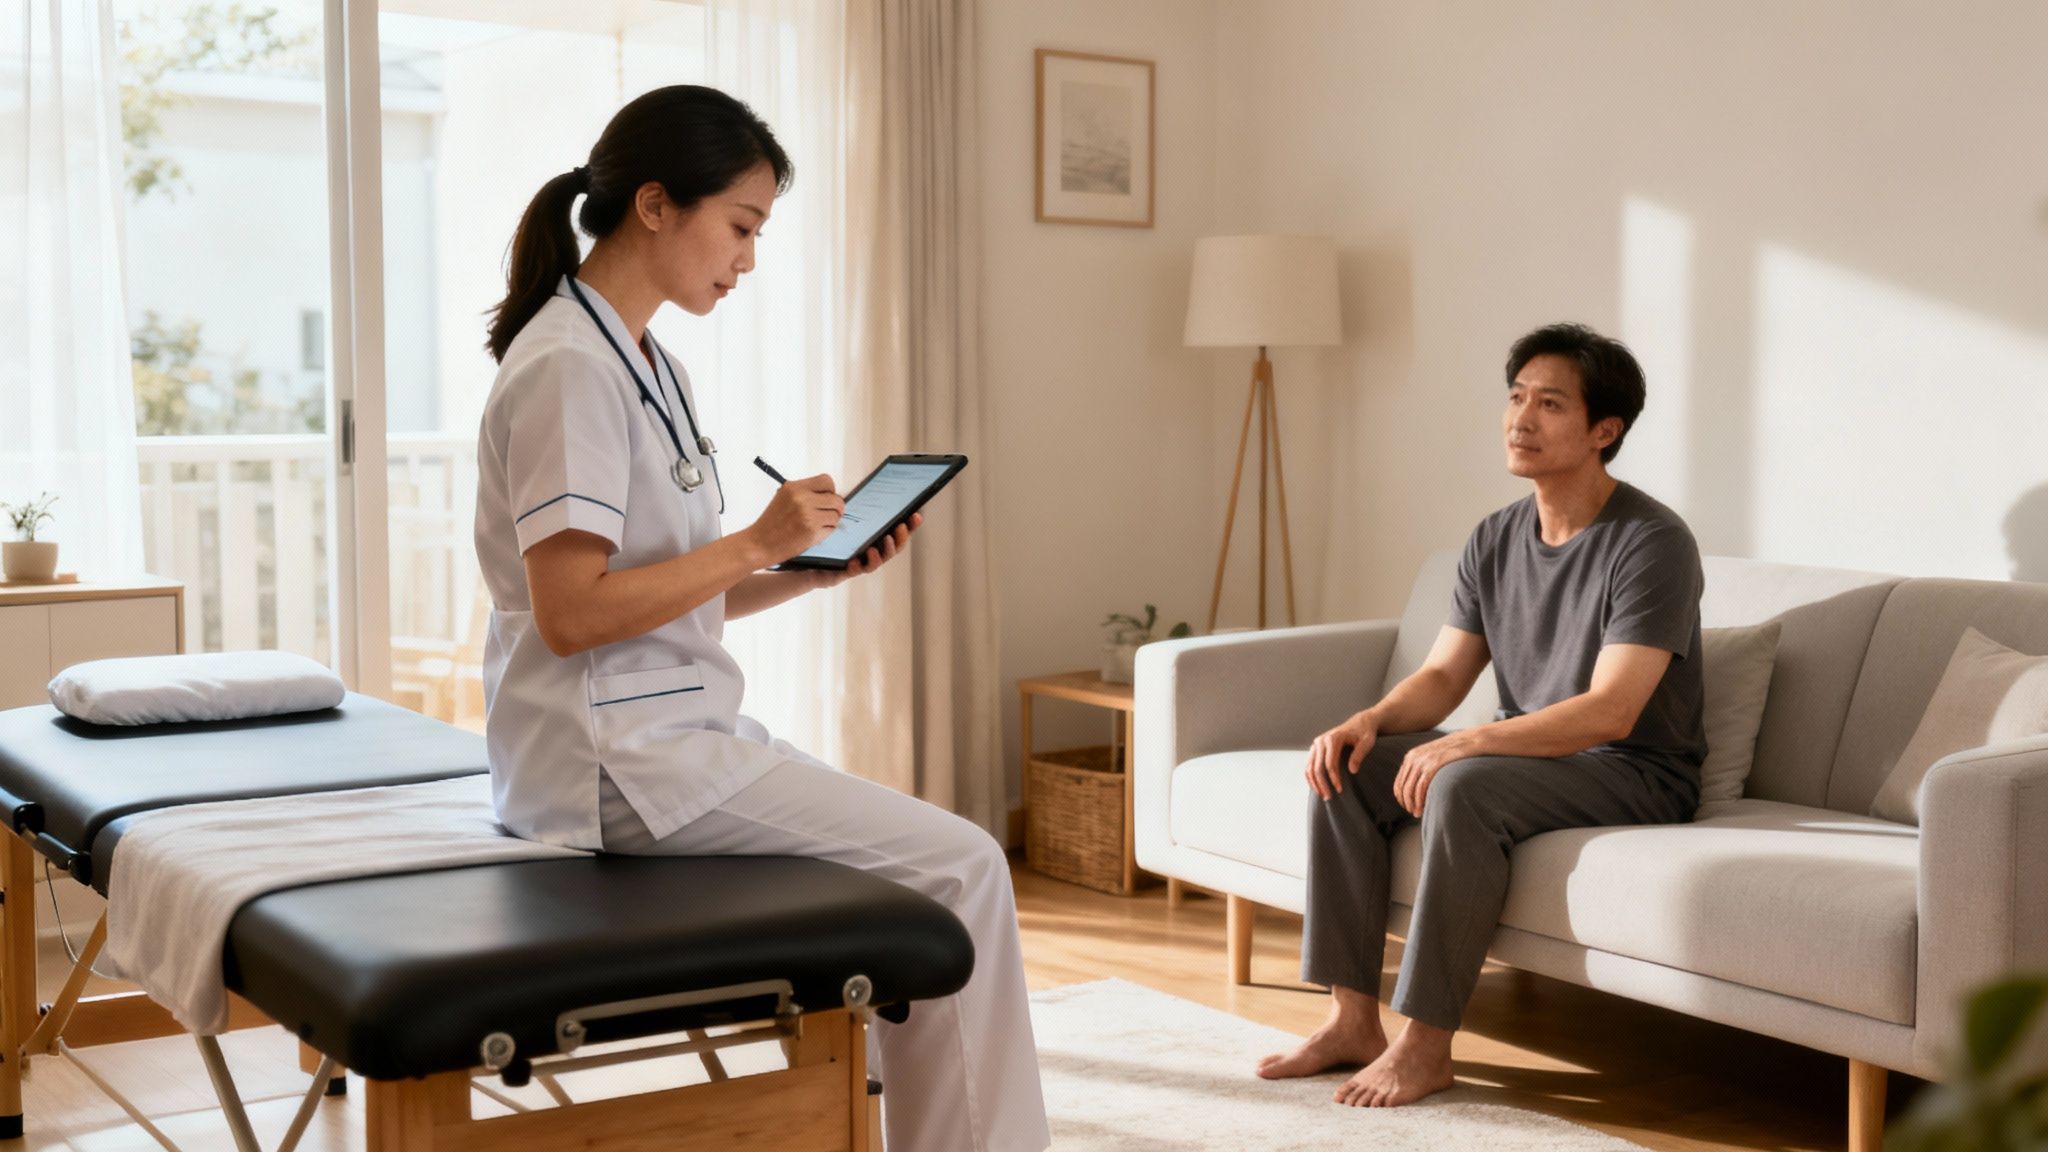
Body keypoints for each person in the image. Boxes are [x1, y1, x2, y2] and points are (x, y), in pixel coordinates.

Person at [473, 85, 1050, 1152]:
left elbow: (666, 595)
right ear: (655, 205)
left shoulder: (647, 362)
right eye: (740, 227)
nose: (746, 260)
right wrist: (753, 540)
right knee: (965, 865)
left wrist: (803, 571)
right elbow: (569, 615)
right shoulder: (567, 369)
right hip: (615, 764)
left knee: (918, 864)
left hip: (661, 738)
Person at [1258, 323, 1705, 1108]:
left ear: (1604, 431)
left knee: (1463, 784)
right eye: (1517, 397)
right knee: (1346, 767)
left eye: (1550, 404)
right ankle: (1351, 1020)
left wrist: (1467, 744)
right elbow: (1441, 675)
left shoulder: (1651, 542)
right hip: (1532, 757)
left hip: (1635, 770)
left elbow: (1612, 710)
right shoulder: (1496, 536)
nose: (1521, 419)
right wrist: (1370, 720)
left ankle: (1426, 1046)